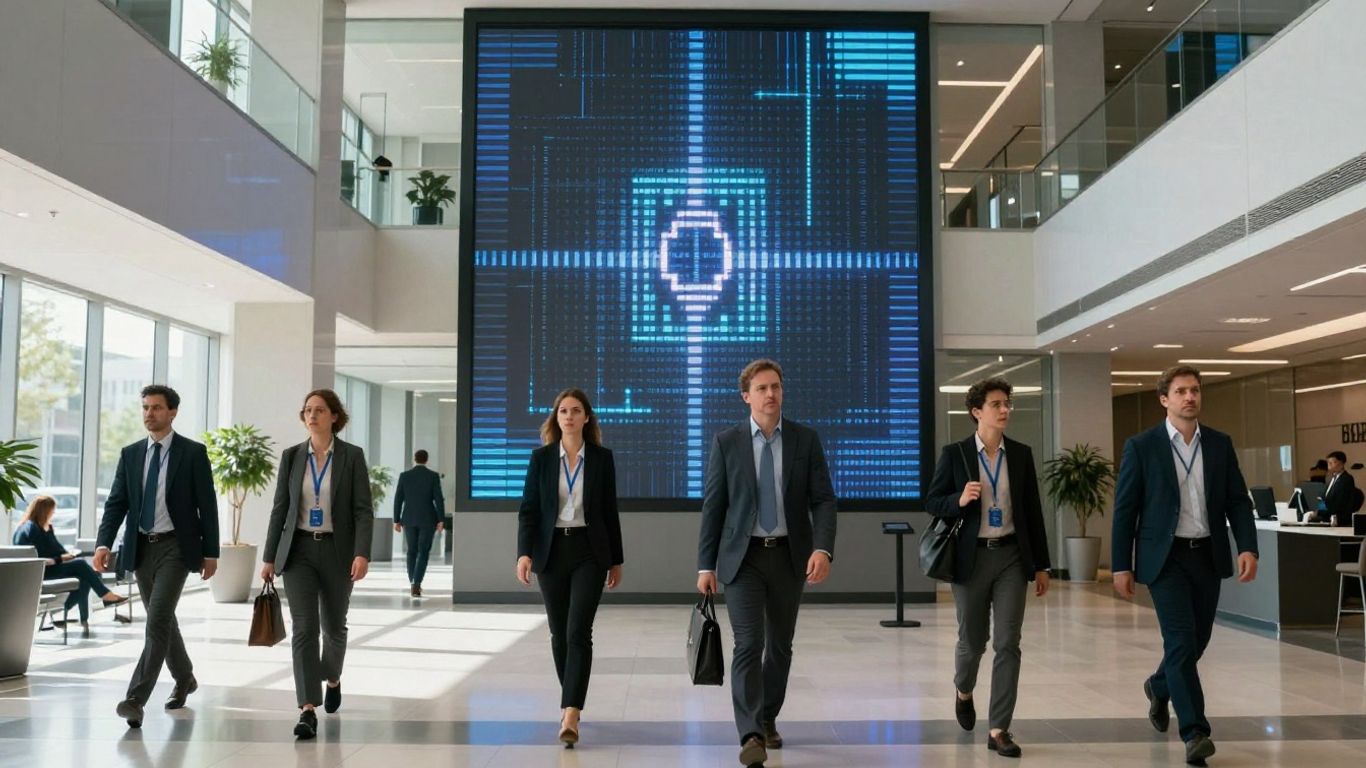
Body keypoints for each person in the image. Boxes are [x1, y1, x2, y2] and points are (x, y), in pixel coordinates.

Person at [1112, 365, 1258, 766]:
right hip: (1166, 559)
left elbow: (1237, 501)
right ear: (1165, 399)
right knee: (1180, 641)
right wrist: (1121, 565)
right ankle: (1195, 732)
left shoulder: (1218, 443)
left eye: (1195, 390)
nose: (1190, 397)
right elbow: (1125, 510)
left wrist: (1248, 545)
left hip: (1206, 554)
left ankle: (1159, 686)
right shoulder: (1142, 446)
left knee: (1197, 641)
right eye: (1181, 392)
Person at [696, 359, 837, 768]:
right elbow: (714, 506)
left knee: (779, 647)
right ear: (746, 396)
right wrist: (706, 565)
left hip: (791, 555)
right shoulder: (727, 442)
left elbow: (823, 499)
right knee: (748, 643)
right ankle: (751, 733)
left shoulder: (804, 440)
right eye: (761, 388)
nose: (770, 394)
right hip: (743, 558)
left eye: (776, 386)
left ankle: (767, 715)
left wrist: (822, 548)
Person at [925, 377, 1051, 759]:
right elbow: (932, 502)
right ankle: (964, 690)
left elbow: (1032, 512)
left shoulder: (1021, 454)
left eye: (1007, 403)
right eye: (996, 404)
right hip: (971, 558)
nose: (1005, 410)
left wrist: (1041, 565)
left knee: (1008, 642)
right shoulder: (956, 453)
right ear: (976, 412)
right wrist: (958, 499)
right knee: (972, 643)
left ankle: (999, 729)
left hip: (1011, 556)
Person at [94, 384, 219, 729]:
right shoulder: (131, 453)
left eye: (157, 408)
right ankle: (185, 678)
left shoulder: (192, 453)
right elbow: (117, 502)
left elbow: (206, 505)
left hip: (177, 547)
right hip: (141, 548)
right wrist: (103, 543)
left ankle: (135, 698)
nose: (150, 413)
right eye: (146, 408)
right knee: (163, 621)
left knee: (158, 617)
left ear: (173, 412)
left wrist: (211, 552)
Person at [261, 389, 374, 740]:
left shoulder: (352, 457)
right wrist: (268, 556)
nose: (312, 416)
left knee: (334, 626)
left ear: (334, 417)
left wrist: (362, 552)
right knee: (304, 629)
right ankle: (307, 708)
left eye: (320, 410)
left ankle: (333, 677)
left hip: (338, 551)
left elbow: (362, 510)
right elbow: (280, 508)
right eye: (308, 410)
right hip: (298, 553)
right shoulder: (292, 456)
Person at [516, 388, 624, 747]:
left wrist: (616, 559)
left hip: (589, 552)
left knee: (579, 631)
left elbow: (609, 511)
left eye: (576, 410)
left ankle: (571, 712)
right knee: (559, 633)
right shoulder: (542, 458)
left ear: (587, 418)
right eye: (563, 410)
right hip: (551, 552)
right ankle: (571, 697)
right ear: (556, 417)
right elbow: (529, 510)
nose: (569, 416)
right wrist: (524, 553)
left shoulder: (602, 459)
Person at [14, 495, 128, 627]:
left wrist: (68, 555)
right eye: (52, 511)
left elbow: (57, 550)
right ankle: (102, 597)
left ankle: (80, 617)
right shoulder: (31, 529)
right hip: (40, 572)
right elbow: (38, 558)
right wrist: (61, 558)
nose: (53, 513)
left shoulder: (43, 528)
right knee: (81, 565)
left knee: (84, 577)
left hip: (50, 568)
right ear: (44, 511)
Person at [393, 449, 445, 596]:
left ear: (414, 459)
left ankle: (412, 582)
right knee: (423, 552)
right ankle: (416, 583)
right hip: (428, 519)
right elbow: (438, 499)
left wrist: (396, 520)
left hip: (409, 519)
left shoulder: (405, 476)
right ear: (426, 460)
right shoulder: (433, 476)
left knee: (411, 551)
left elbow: (399, 499)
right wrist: (441, 519)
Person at [1319, 451, 1356, 525]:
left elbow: (1341, 501)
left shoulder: (1347, 479)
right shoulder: (1332, 479)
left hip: (1339, 520)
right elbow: (1324, 497)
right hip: (1326, 518)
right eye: (1328, 463)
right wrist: (1319, 511)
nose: (1329, 465)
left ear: (1341, 464)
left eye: (1332, 462)